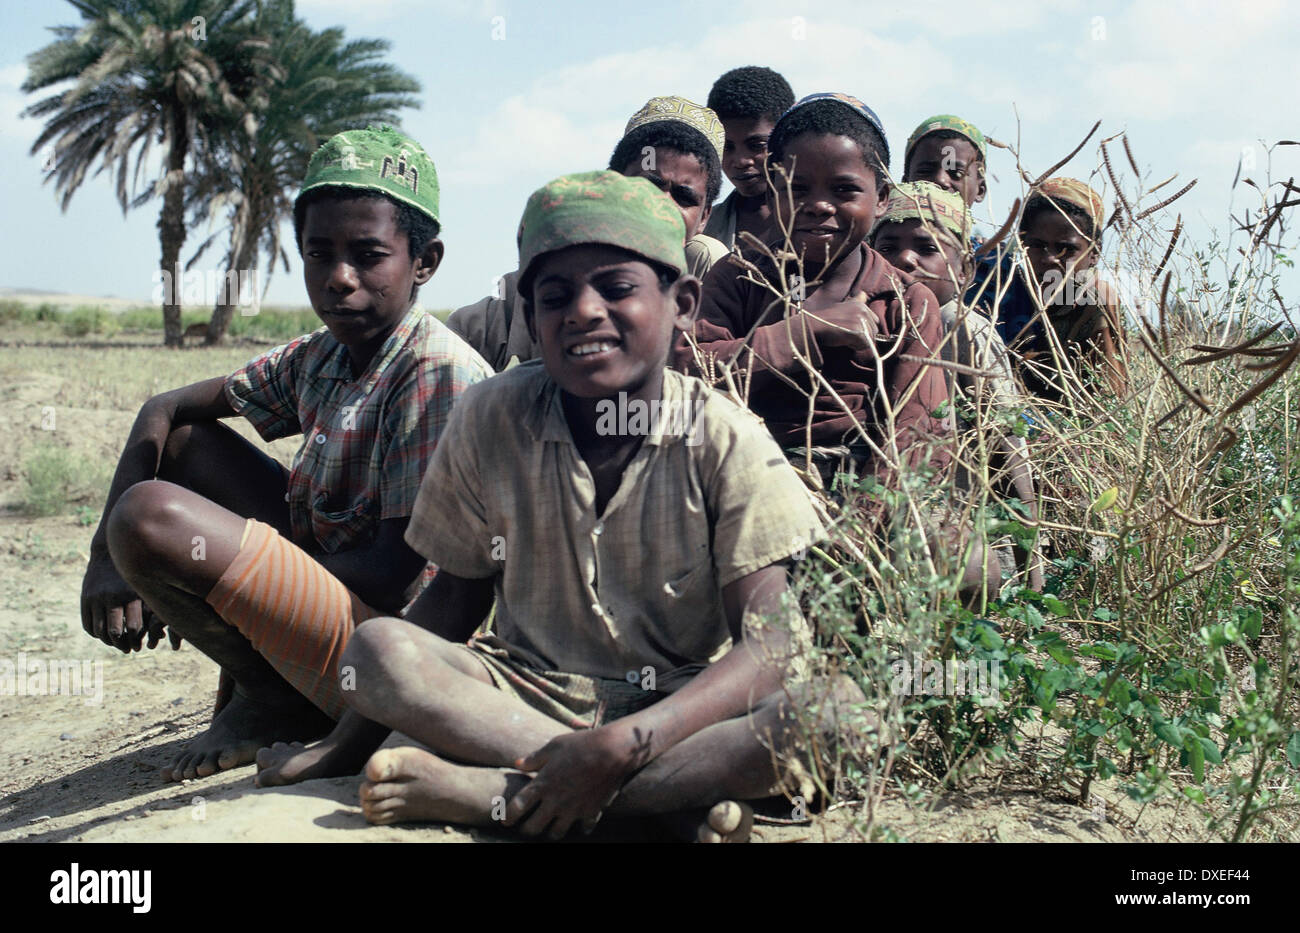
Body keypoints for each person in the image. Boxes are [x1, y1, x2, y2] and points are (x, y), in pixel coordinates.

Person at [257, 171, 849, 843]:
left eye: (618, 288)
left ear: (682, 302)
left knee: (834, 712)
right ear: (530, 314)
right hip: (518, 698)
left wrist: (630, 741)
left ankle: (496, 796)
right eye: (555, 295)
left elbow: (770, 642)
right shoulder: (491, 413)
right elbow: (453, 601)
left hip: (675, 708)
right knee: (380, 648)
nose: (584, 311)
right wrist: (341, 744)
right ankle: (658, 808)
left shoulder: (725, 437)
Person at [79, 125, 492, 782]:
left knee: (150, 517)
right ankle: (269, 681)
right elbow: (165, 410)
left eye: (368, 254)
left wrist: (214, 577)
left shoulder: (436, 372)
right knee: (184, 449)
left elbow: (391, 572)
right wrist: (107, 560)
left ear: (425, 261)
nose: (339, 278)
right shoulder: (322, 354)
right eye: (318, 254)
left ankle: (275, 697)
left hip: (390, 649)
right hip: (329, 596)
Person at [676, 93, 951, 502]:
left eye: (844, 189)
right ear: (771, 192)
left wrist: (861, 531)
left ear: (882, 200)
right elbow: (688, 374)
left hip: (861, 488)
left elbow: (918, 433)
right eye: (797, 188)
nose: (819, 206)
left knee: (973, 563)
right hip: (745, 478)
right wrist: (808, 331)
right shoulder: (737, 277)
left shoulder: (907, 302)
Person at [446, 96, 729, 372]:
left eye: (683, 197)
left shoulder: (707, 261)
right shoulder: (559, 262)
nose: (661, 206)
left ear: (705, 216)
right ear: (611, 184)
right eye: (648, 187)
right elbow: (455, 344)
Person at [871, 181, 1043, 592]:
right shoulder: (858, 315)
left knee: (971, 572)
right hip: (868, 498)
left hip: (943, 509)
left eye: (927, 248)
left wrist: (1032, 572)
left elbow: (1008, 443)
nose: (904, 259)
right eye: (888, 247)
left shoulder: (962, 327)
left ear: (963, 270)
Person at [1014, 177, 1129, 401]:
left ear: (1094, 253)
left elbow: (1108, 403)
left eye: (1066, 249)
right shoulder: (1004, 288)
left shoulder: (1095, 303)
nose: (1049, 258)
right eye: (1038, 246)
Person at [704, 65, 796, 249]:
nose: (740, 161)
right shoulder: (704, 233)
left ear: (787, 134)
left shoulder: (823, 221)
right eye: (726, 147)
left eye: (756, 146)